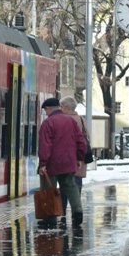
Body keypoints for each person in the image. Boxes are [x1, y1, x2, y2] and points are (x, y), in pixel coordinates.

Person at [38, 97, 86, 229]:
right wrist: (79, 158)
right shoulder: (71, 121)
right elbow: (81, 141)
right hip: (69, 162)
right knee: (71, 186)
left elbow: (45, 145)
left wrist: (43, 164)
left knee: (49, 189)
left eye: (45, 110)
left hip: (52, 163)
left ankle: (50, 218)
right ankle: (77, 212)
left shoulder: (48, 123)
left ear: (49, 109)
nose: (46, 113)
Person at [59, 95, 89, 226]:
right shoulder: (82, 120)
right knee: (77, 186)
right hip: (80, 160)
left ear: (66, 107)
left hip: (68, 159)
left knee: (64, 186)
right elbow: (87, 138)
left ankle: (62, 214)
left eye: (61, 106)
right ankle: (76, 212)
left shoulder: (64, 120)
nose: (60, 109)